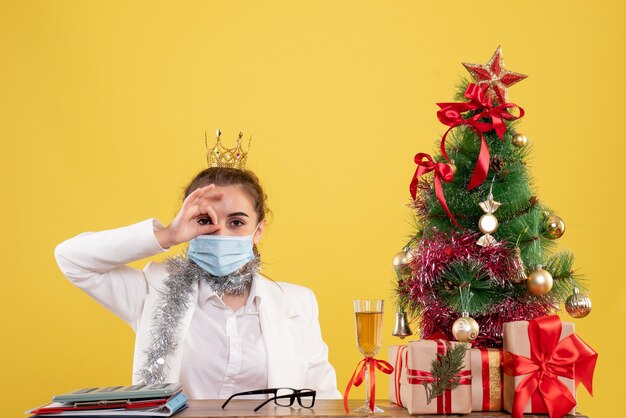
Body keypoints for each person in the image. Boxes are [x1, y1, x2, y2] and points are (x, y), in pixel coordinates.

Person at [55, 166, 341, 399]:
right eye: (206, 221)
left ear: (258, 230)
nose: (221, 234)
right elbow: (72, 259)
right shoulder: (154, 290)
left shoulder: (297, 304)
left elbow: (324, 397)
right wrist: (167, 234)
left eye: (237, 223)